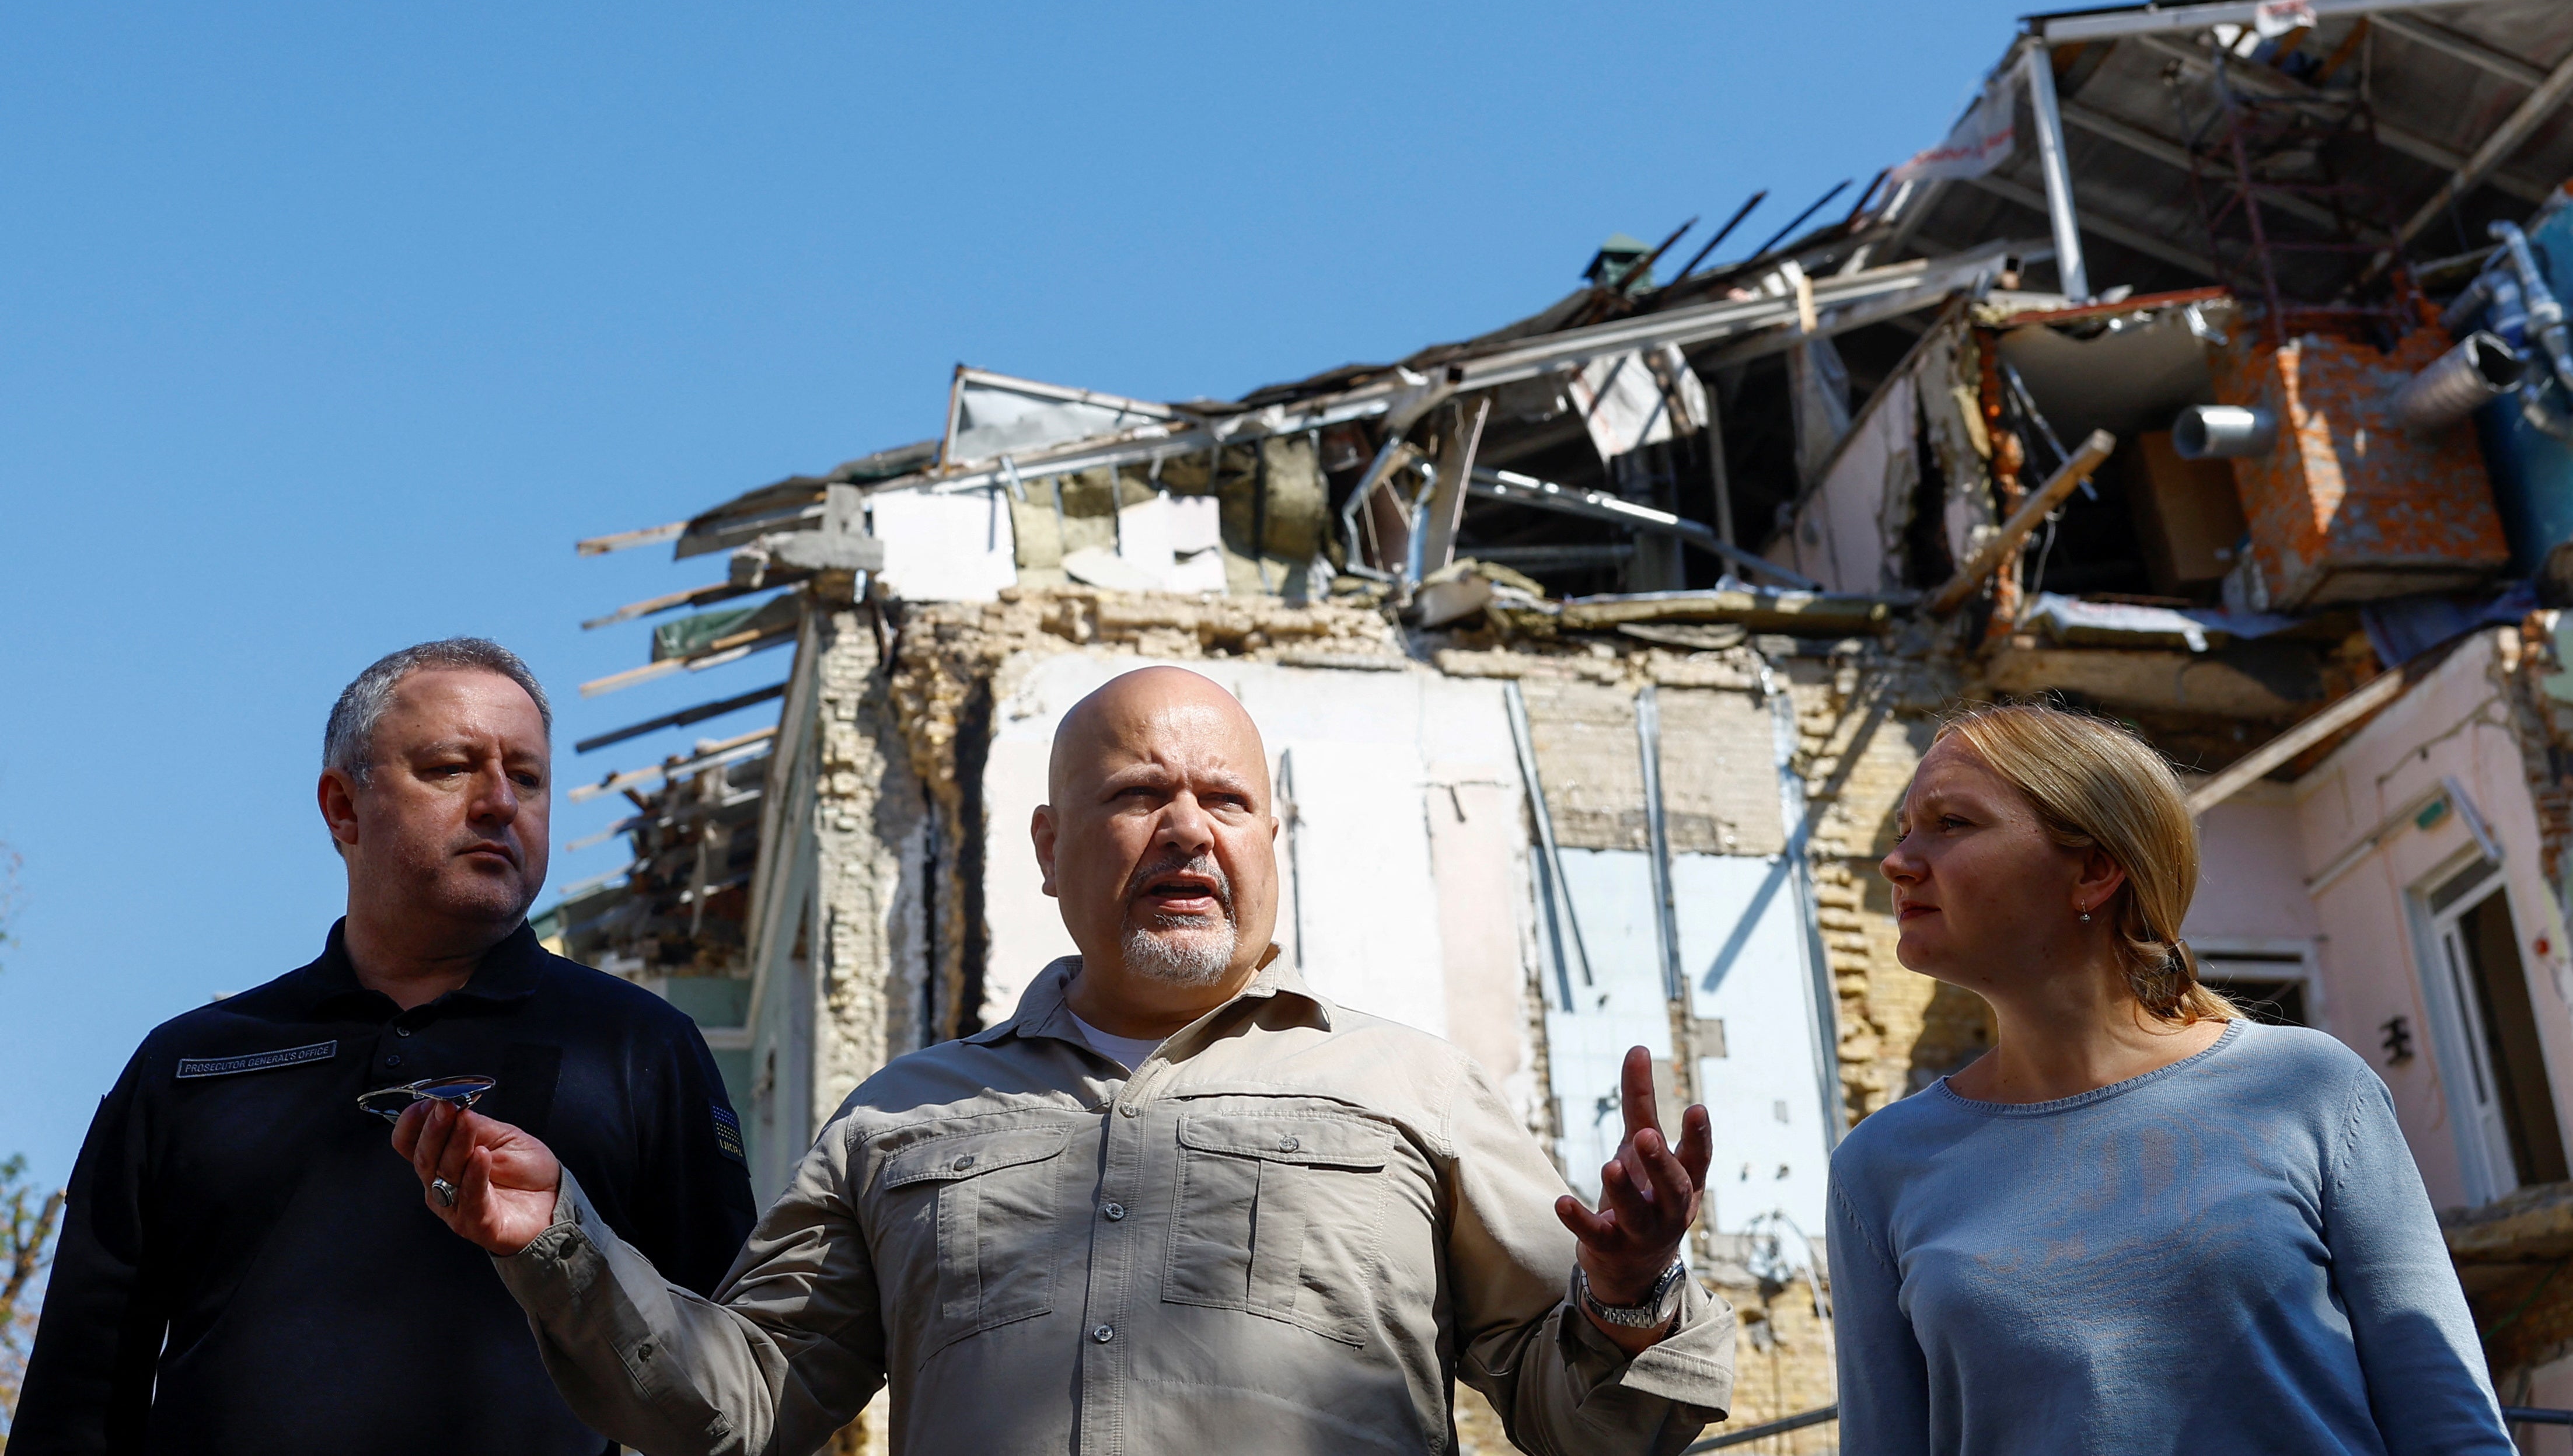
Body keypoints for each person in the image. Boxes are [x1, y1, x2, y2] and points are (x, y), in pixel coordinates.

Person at [393, 664, 1738, 1453]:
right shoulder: (898, 1122)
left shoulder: (1412, 1089)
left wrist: (1628, 1296)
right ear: (1046, 848)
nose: (1188, 832)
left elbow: (1593, 1426)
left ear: (1275, 847)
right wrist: (558, 1239)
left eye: (1226, 802)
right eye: (1140, 796)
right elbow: (737, 1402)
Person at [15, 638, 757, 1456]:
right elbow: (79, 1396)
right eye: (451, 767)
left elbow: (728, 1376)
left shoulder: (639, 1049)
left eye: (530, 778)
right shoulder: (188, 1065)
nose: (500, 803)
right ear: (342, 808)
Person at [1830, 701, 2513, 1456]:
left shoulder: (2311, 1090)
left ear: (2092, 870)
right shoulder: (1878, 1169)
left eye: (1950, 823)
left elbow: (2450, 1425)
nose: (1897, 861)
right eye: (1901, 832)